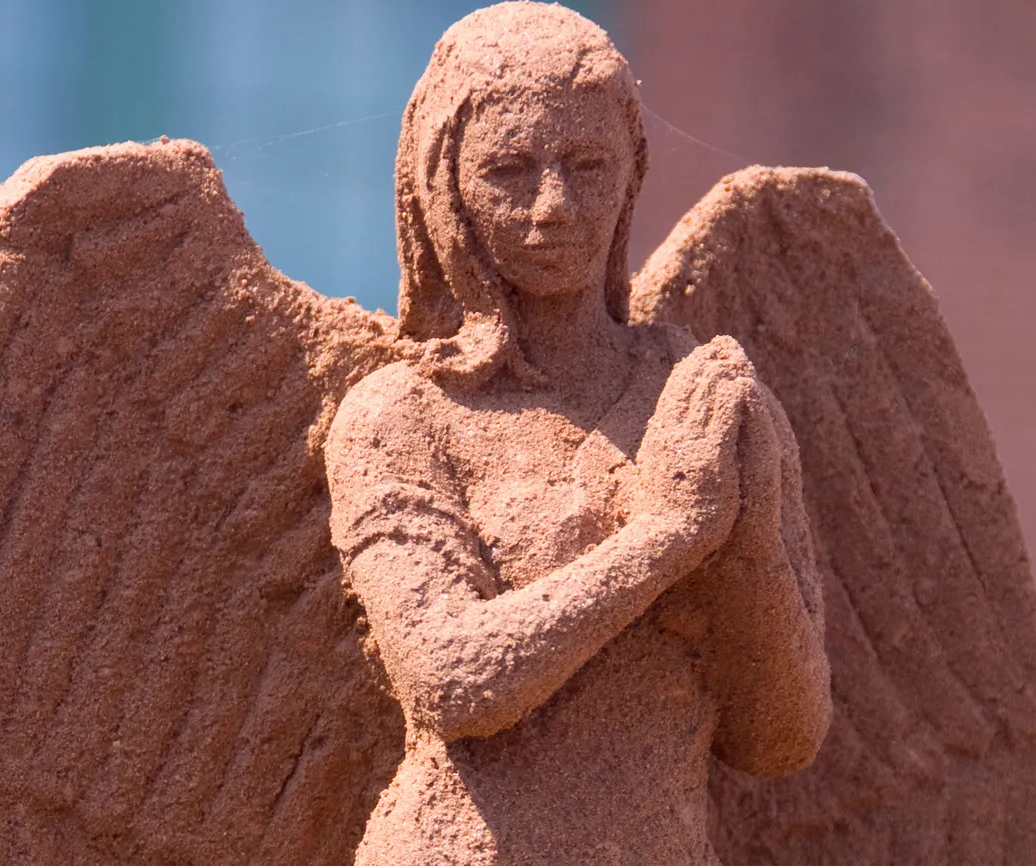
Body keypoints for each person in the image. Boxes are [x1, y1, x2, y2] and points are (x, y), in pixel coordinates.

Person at [324, 4, 830, 863]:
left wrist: (744, 550)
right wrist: (667, 541)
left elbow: (782, 737)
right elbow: (451, 678)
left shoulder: (703, 399)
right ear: (446, 185)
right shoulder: (401, 415)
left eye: (587, 166)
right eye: (510, 171)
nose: (553, 206)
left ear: (632, 174)